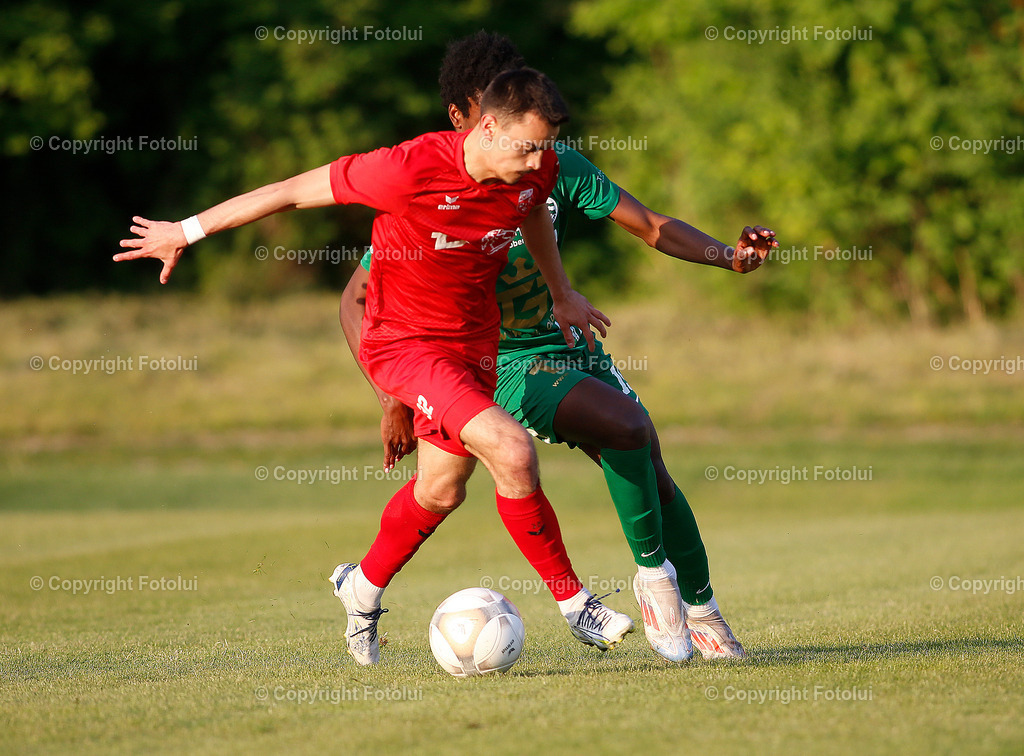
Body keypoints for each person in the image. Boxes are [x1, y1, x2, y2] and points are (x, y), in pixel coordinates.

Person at [115, 67, 636, 666]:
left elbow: (534, 211)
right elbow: (289, 191)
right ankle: (577, 606)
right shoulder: (407, 169)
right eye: (527, 147)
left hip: (475, 344)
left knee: (442, 489)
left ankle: (360, 588)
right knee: (512, 450)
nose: (539, 161)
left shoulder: (534, 169)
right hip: (405, 343)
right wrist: (186, 230)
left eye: (545, 148)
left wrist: (561, 292)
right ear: (488, 127)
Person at [341, 31, 778, 662]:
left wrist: (730, 259)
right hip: (500, 362)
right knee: (626, 426)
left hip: (569, 346)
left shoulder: (549, 164)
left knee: (462, 486)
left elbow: (651, 225)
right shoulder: (430, 185)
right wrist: (392, 397)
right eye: (496, 115)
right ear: (464, 118)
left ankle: (703, 613)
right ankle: (644, 588)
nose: (525, 145)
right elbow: (356, 299)